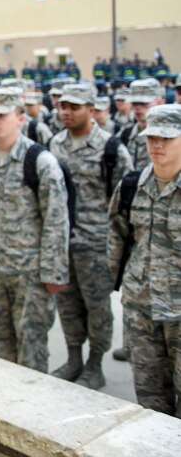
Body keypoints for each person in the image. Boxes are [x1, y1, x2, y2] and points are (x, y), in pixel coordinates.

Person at [0, 88, 69, 372]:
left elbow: (56, 221)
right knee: (0, 348)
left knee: (32, 350)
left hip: (30, 274)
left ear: (20, 118)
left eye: (2, 115)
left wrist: (53, 271)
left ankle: (32, 413)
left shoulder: (40, 162)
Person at [49, 82, 133, 389]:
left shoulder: (111, 149)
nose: (66, 112)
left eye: (74, 107)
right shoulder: (55, 144)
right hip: (63, 243)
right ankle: (74, 358)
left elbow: (126, 203)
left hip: (97, 244)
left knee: (97, 308)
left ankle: (95, 364)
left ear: (90, 109)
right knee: (67, 305)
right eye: (63, 107)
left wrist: (123, 250)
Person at [108, 104, 181, 416]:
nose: (157, 145)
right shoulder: (133, 184)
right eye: (152, 138)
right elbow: (117, 234)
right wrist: (117, 282)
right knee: (150, 401)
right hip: (141, 308)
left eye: (166, 138)